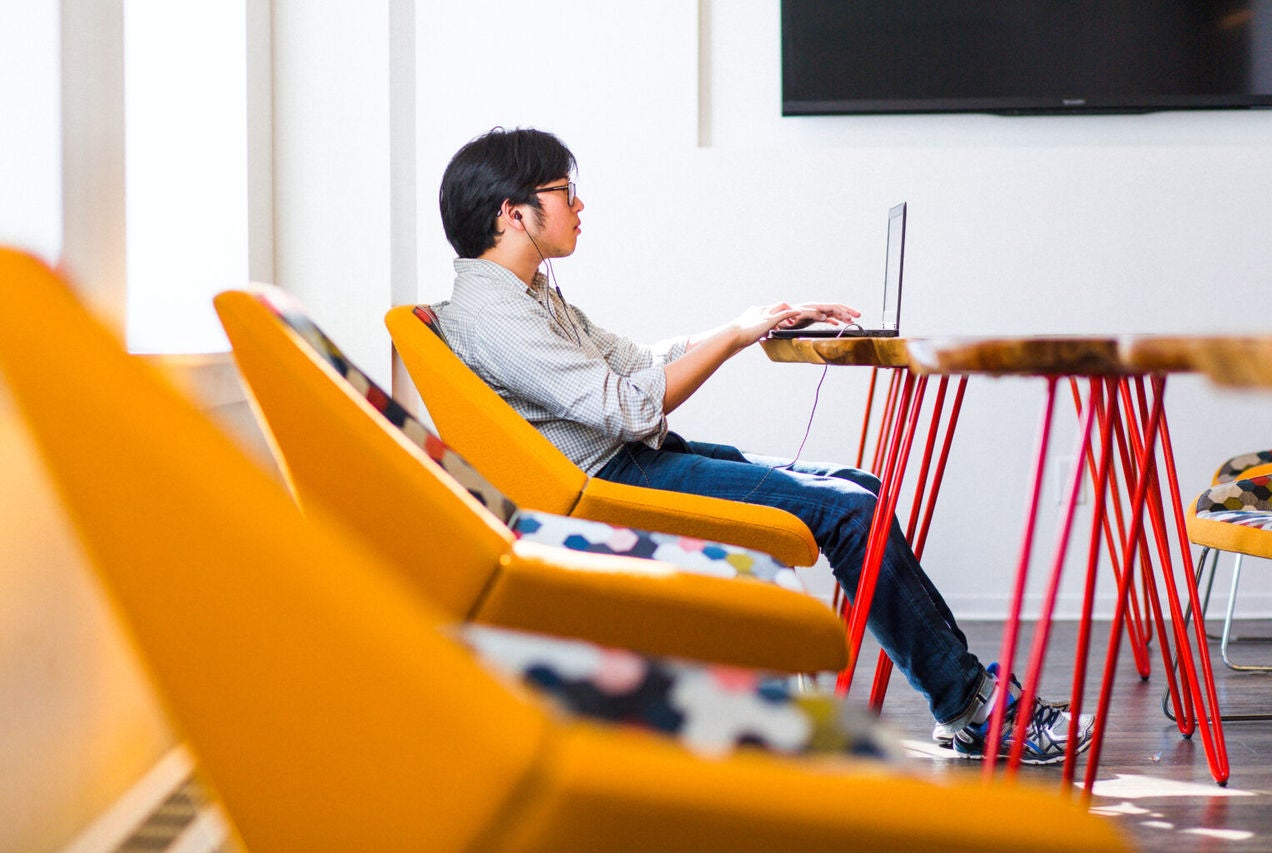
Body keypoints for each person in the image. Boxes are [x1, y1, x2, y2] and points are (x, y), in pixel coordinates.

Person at [431, 126, 1092, 764]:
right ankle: (972, 706)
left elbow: (633, 360)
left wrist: (750, 323)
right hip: (610, 481)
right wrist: (735, 339)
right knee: (849, 513)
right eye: (564, 191)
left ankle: (963, 702)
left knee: (858, 487)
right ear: (514, 213)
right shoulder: (495, 316)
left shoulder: (528, 294)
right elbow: (627, 406)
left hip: (629, 460)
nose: (579, 205)